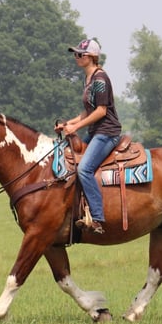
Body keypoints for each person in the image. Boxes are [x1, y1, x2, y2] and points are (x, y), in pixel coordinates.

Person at [55, 39, 122, 235]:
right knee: (68, 160)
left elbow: (101, 111)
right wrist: (68, 124)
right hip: (94, 133)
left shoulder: (100, 79)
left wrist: (76, 126)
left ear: (91, 57)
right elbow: (87, 112)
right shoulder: (88, 79)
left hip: (107, 133)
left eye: (79, 54)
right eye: (75, 54)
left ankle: (98, 218)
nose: (76, 57)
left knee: (84, 169)